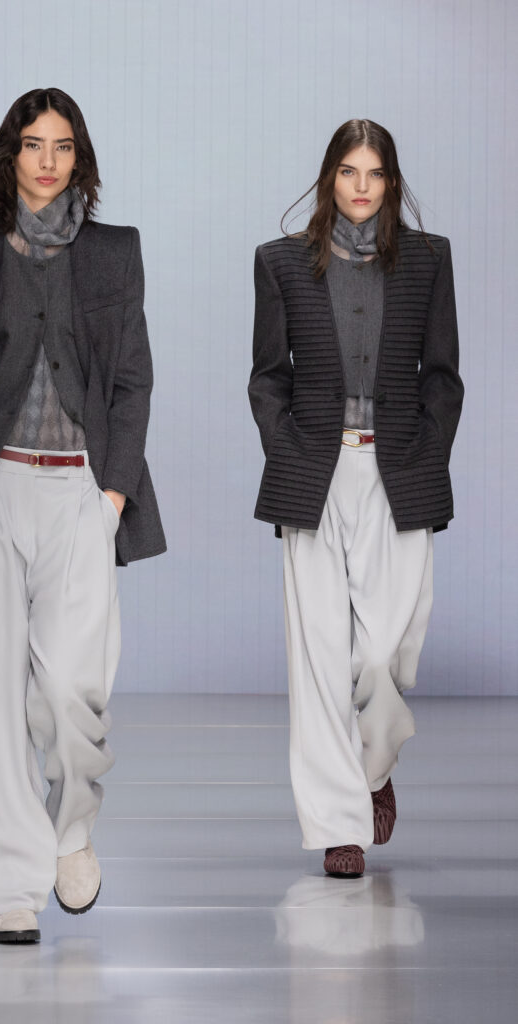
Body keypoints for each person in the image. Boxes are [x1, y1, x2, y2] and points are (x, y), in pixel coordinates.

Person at [0, 87, 166, 943]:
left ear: (78, 157)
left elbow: (131, 378)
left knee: (70, 689)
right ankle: (9, 887)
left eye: (61, 146)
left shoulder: (115, 252)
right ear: (8, 156)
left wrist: (113, 494)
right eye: (31, 145)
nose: (46, 161)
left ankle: (72, 826)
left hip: (81, 491)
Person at [248, 119, 463, 878]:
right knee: (316, 658)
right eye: (348, 171)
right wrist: (287, 450)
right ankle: (340, 824)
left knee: (381, 654)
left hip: (398, 469)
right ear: (328, 179)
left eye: (374, 173)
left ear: (391, 182)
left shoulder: (428, 260)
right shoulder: (279, 262)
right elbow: (267, 376)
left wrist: (429, 451)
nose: (361, 186)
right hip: (313, 470)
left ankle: (373, 768)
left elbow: (442, 376)